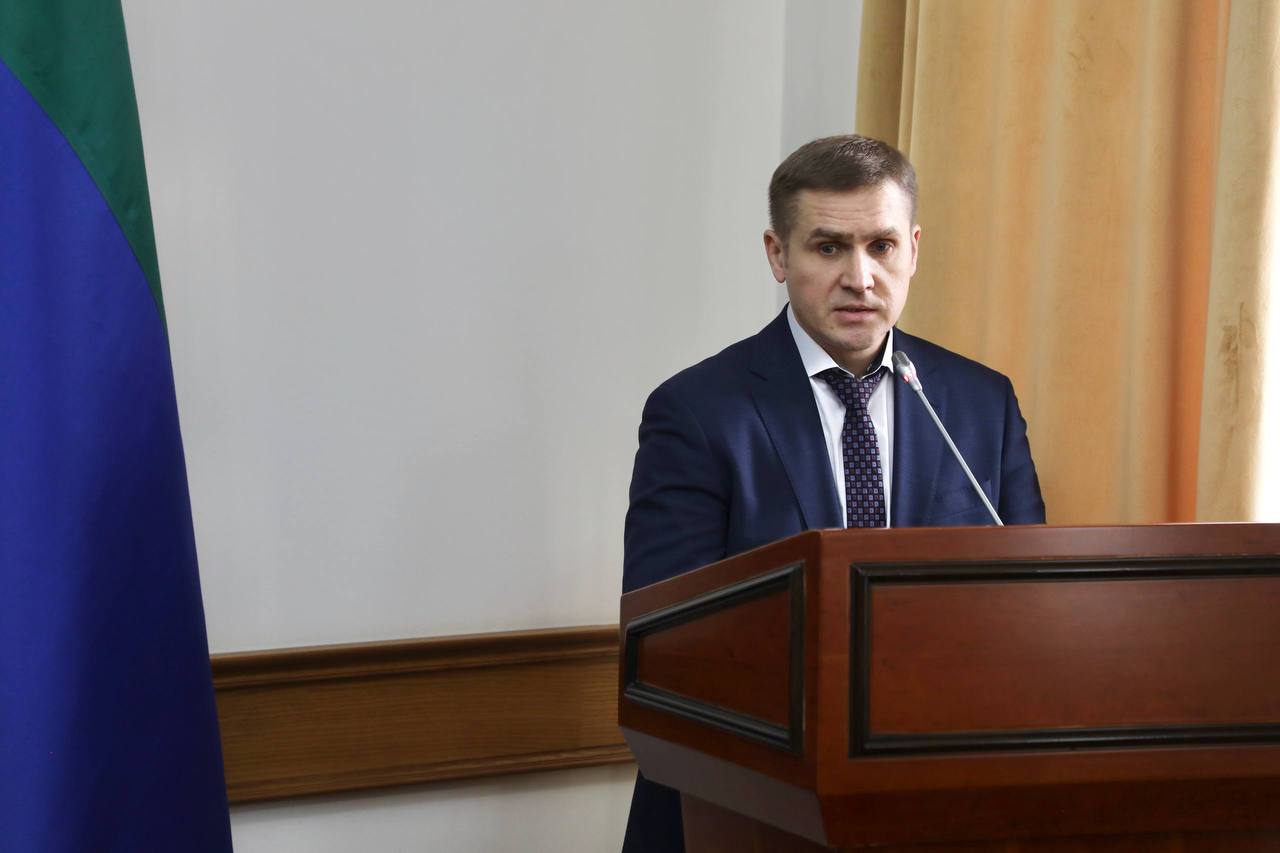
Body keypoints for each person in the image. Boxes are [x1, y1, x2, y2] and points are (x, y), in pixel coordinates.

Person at [619, 134, 1046, 851]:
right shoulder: (698, 411)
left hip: (938, 802)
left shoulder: (980, 403)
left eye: (881, 246)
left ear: (913, 249)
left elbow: (1029, 611)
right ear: (778, 255)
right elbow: (665, 643)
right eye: (828, 248)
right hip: (746, 801)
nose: (860, 277)